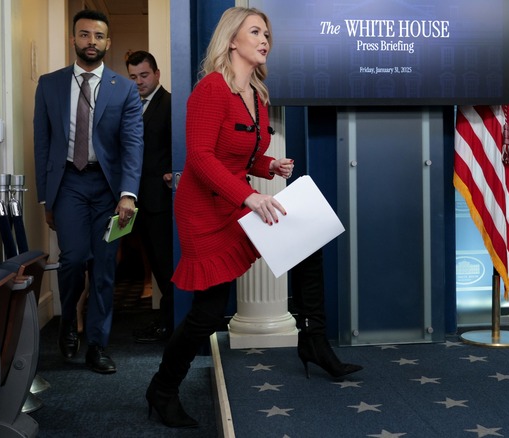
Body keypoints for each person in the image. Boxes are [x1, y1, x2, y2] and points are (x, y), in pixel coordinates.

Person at [144, 7, 361, 429]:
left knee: (307, 241)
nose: (265, 40)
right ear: (232, 40)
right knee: (208, 311)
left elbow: (240, 153)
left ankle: (313, 341)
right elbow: (201, 159)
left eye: (267, 33)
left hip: (236, 202)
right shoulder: (210, 90)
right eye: (256, 32)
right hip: (204, 210)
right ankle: (162, 388)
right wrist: (249, 196)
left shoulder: (257, 94)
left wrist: (269, 167)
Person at [33, 9, 143, 374]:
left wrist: (128, 193)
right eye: (84, 35)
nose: (91, 42)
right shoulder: (49, 84)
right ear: (73, 39)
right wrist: (45, 198)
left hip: (108, 188)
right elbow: (42, 143)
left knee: (104, 267)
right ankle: (67, 321)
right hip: (68, 184)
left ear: (107, 43)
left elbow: (132, 145)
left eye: (98, 37)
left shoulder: (124, 88)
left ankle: (97, 343)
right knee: (74, 259)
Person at [125, 50, 175, 343]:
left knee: (165, 266)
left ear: (157, 74)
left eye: (144, 75)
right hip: (135, 199)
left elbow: (176, 143)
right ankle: (165, 322)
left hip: (160, 199)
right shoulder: (130, 105)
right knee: (153, 266)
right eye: (133, 77)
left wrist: (171, 170)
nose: (139, 82)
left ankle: (170, 325)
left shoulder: (169, 104)